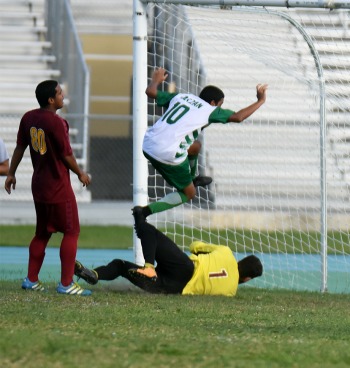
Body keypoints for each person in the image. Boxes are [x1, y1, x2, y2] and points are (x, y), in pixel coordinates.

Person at [132, 67, 268, 225]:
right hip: (168, 153)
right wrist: (260, 100)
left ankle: (193, 177)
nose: (219, 108)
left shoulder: (182, 97)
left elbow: (150, 92)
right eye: (219, 105)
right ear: (212, 103)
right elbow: (238, 117)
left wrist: (156, 80)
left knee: (195, 146)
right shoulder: (209, 110)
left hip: (148, 143)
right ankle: (144, 211)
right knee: (189, 193)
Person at [4, 80, 92, 296]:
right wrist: (80, 173)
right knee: (71, 232)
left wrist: (11, 173)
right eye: (60, 94)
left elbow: (19, 147)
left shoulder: (28, 118)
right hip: (58, 187)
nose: (63, 96)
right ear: (51, 100)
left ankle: (31, 280)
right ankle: (66, 283)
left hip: (39, 186)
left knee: (42, 233)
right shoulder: (56, 123)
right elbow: (66, 154)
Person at [74, 217, 263, 296]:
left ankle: (98, 274)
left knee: (147, 231)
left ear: (240, 261)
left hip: (185, 268)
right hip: (174, 288)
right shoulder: (230, 291)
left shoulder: (226, 253)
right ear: (246, 279)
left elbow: (195, 246)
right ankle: (94, 276)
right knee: (123, 266)